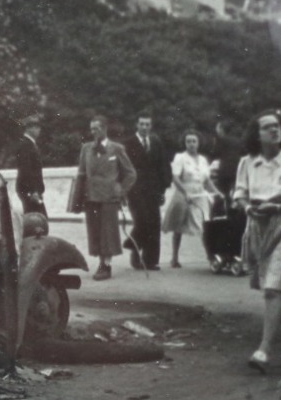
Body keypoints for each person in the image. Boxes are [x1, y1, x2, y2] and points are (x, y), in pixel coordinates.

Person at [233, 108, 281, 373]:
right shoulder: (247, 162)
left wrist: (277, 208)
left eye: (277, 126)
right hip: (258, 228)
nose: (274, 130)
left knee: (273, 290)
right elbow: (240, 195)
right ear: (257, 134)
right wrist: (248, 208)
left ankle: (264, 350)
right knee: (277, 290)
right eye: (267, 127)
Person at [76, 114, 137, 280]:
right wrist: (78, 198)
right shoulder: (86, 148)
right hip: (91, 197)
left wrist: (120, 190)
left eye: (97, 128)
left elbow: (131, 174)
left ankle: (106, 266)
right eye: (91, 129)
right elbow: (81, 173)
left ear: (105, 128)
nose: (93, 132)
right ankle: (101, 263)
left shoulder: (116, 148)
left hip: (109, 198)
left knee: (108, 233)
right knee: (95, 232)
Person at [162, 128, 219, 268]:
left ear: (198, 143)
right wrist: (184, 192)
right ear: (185, 143)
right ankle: (174, 257)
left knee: (205, 225)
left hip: (200, 195)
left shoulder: (204, 160)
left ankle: (211, 256)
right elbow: (175, 178)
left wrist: (217, 193)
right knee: (178, 225)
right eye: (188, 141)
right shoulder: (180, 158)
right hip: (184, 194)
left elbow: (207, 180)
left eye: (194, 141)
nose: (191, 144)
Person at [124, 112, 171, 270]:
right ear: (137, 125)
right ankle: (135, 252)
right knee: (142, 221)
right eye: (141, 124)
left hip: (153, 189)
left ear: (151, 126)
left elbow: (163, 166)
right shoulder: (129, 143)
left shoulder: (156, 142)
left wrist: (163, 189)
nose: (144, 127)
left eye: (147, 124)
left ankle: (151, 260)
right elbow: (124, 168)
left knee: (154, 223)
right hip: (135, 189)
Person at [205, 117, 249, 274]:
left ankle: (222, 252)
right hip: (236, 175)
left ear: (222, 130)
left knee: (223, 212)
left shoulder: (221, 140)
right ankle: (235, 252)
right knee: (234, 211)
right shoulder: (239, 142)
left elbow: (214, 154)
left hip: (225, 175)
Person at [13, 116, 46, 215]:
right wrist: (33, 191)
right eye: (37, 127)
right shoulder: (26, 145)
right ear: (29, 128)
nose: (39, 130)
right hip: (29, 191)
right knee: (37, 221)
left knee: (36, 219)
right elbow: (26, 170)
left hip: (30, 190)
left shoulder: (29, 144)